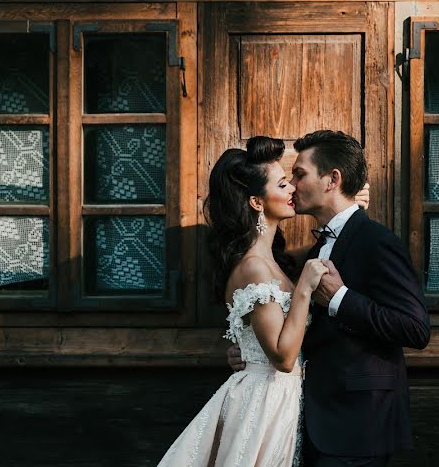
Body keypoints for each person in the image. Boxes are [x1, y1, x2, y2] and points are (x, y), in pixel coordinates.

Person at [157, 136, 370, 467]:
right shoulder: (255, 267)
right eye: (284, 184)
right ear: (257, 202)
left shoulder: (275, 261)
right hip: (264, 402)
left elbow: (322, 251)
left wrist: (350, 207)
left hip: (285, 399)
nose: (293, 191)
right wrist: (303, 290)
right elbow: (284, 358)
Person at [228, 130, 430, 466]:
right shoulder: (319, 246)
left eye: (300, 174)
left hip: (359, 424)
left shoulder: (375, 241)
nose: (292, 184)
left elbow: (416, 328)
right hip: (313, 419)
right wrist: (251, 348)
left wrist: (340, 297)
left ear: (331, 179)